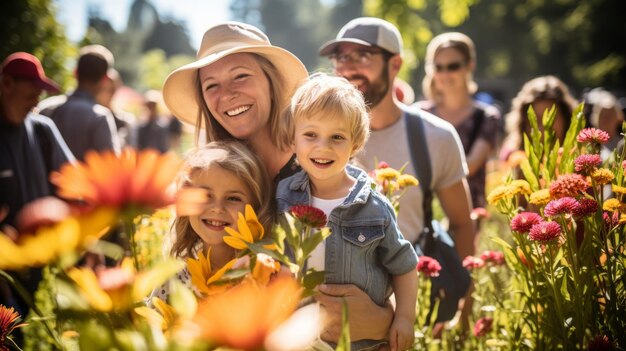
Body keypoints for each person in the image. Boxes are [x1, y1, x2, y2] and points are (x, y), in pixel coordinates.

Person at [162, 21, 395, 345]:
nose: (227, 94)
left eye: (240, 76)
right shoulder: (208, 176)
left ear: (271, 82)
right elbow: (182, 264)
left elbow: (378, 256)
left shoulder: (320, 161)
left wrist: (383, 320)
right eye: (210, 85)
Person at [319, 17, 475, 328]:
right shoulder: (317, 137)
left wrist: (464, 309)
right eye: (341, 57)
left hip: (412, 310)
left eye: (362, 56)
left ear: (395, 65)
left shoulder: (436, 137)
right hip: (329, 315)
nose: (348, 68)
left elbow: (461, 223)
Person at [276, 73, 418, 351]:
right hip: (297, 340)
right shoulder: (282, 197)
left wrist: (404, 318)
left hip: (360, 341)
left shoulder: (374, 207)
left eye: (337, 137)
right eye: (310, 135)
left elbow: (404, 266)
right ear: (293, 141)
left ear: (354, 144)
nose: (323, 146)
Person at [0, 52, 75, 321]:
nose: (36, 101)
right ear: (7, 84)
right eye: (31, 91)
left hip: (39, 267)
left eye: (40, 93)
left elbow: (74, 183)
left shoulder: (44, 128)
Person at [152, 140, 272, 301]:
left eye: (233, 198)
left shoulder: (262, 272)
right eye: (205, 195)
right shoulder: (174, 277)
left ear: (256, 207)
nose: (217, 208)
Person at [416, 32, 502, 209]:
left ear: (470, 65)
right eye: (438, 67)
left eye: (453, 66)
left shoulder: (486, 116)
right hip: (426, 212)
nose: (445, 73)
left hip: (469, 214)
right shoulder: (418, 114)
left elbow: (470, 165)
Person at [39, 44, 120, 161]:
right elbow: (111, 165)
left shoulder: (45, 109)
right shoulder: (99, 117)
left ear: (75, 72)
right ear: (105, 79)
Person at [500, 75, 578, 161]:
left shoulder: (581, 156)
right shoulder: (512, 158)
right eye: (536, 119)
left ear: (567, 118)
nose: (544, 127)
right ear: (523, 122)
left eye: (551, 117)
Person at [95, 68, 134, 148]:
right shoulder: (92, 116)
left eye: (112, 89)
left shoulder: (124, 120)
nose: (108, 94)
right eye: (105, 89)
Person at [583, 87, 625, 158]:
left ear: (619, 118)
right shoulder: (586, 146)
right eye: (602, 115)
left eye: (610, 115)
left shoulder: (623, 146)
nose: (606, 120)